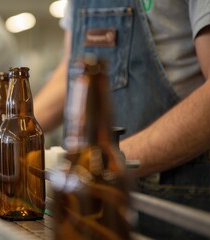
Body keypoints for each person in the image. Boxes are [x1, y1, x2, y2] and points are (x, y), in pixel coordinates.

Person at [34, 0, 210, 239]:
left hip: (173, 202)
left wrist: (104, 163)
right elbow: (74, 68)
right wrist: (16, 127)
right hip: (89, 199)